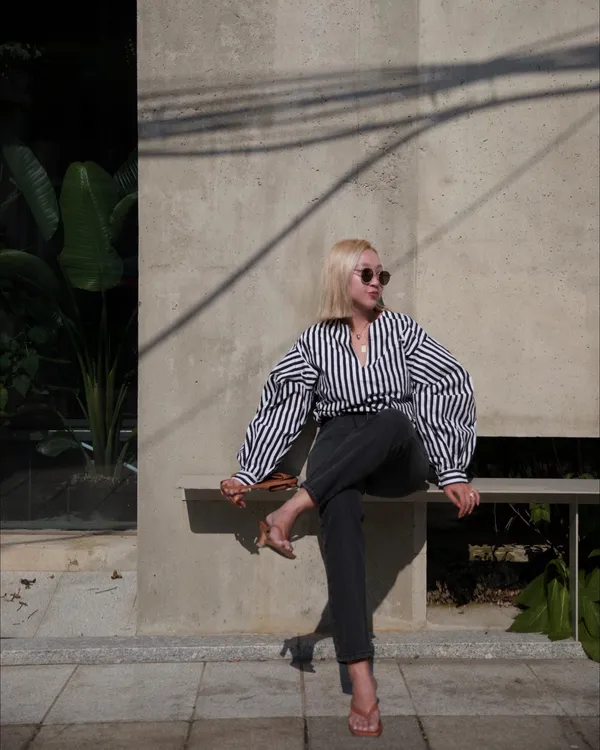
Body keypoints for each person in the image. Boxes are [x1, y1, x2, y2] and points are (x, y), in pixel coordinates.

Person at [221, 238, 479, 737]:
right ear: (342, 277)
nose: (377, 283)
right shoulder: (314, 342)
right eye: (366, 274)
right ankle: (361, 678)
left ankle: (290, 510)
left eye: (382, 275)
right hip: (338, 446)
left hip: (395, 449)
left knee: (390, 420)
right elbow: (283, 405)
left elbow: (450, 384)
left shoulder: (401, 331)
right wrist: (249, 472)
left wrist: (451, 469)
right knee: (338, 511)